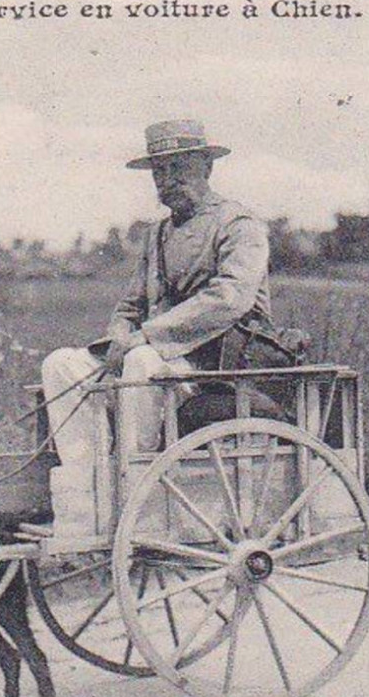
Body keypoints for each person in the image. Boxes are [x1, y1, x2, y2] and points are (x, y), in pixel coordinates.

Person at [40, 119, 272, 535]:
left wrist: (145, 337)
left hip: (219, 361)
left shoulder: (240, 225)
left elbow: (230, 298)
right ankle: (88, 496)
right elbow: (131, 305)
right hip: (160, 356)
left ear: (206, 167)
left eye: (179, 168)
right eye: (159, 172)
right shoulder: (157, 235)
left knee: (143, 362)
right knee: (61, 365)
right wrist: (118, 337)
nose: (168, 181)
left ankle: (137, 499)